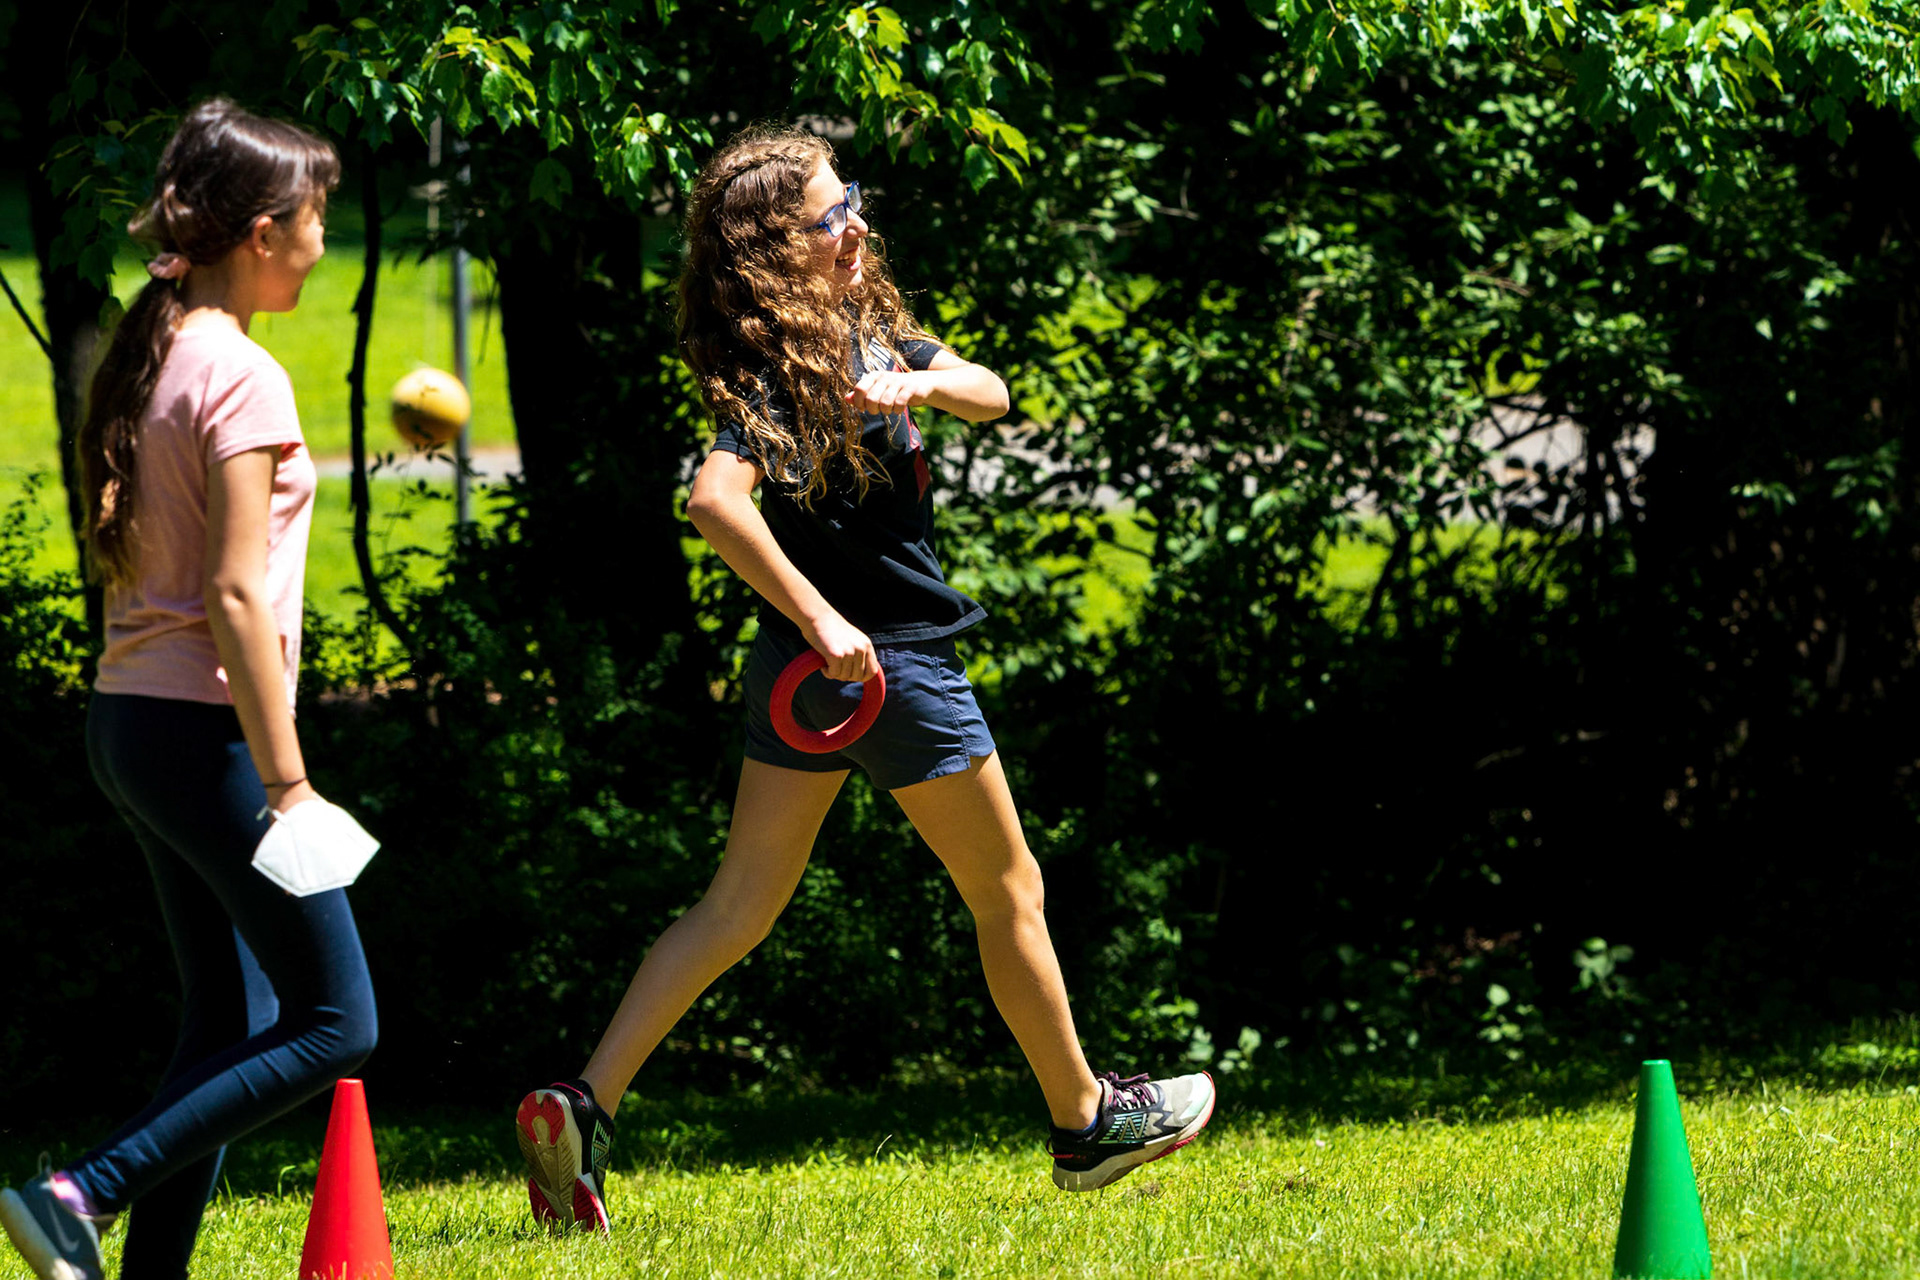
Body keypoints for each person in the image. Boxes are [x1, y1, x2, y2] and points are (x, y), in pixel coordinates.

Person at [514, 124, 1213, 1231]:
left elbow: (992, 391)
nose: (857, 225)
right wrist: (826, 615)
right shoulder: (773, 375)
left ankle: (584, 1102)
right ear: (775, 248)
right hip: (888, 664)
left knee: (739, 902)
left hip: (807, 673)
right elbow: (712, 502)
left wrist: (918, 388)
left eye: (852, 203)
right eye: (832, 215)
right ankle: (1086, 1123)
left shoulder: (859, 331)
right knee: (1009, 888)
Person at [0, 99, 378, 1280]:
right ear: (264, 232)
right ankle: (80, 1193)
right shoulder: (245, 375)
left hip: (131, 723)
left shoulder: (154, 345)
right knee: (337, 1020)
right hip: (205, 734)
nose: (324, 240)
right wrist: (290, 782)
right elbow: (233, 596)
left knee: (227, 1021)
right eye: (316, 218)